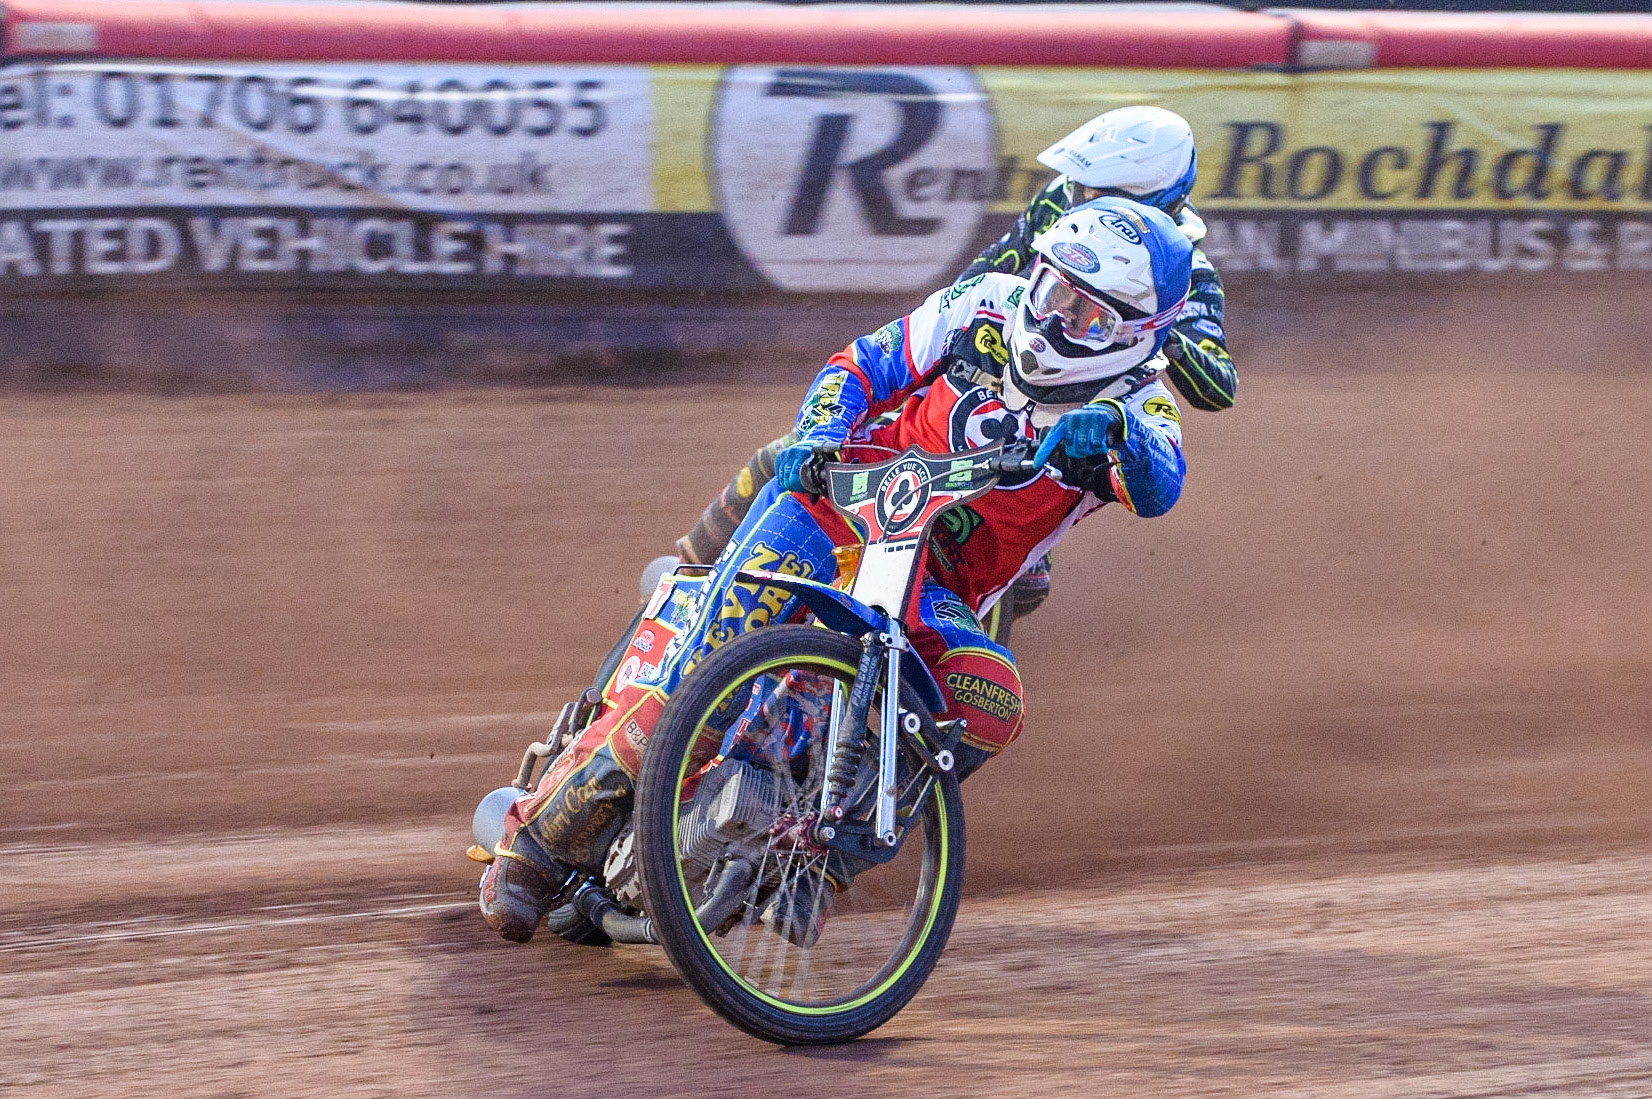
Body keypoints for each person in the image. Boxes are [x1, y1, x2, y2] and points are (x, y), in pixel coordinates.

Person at [480, 196, 1196, 944]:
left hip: (936, 582)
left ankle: (820, 860)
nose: (1050, 324)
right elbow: (865, 361)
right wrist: (821, 434)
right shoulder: (988, 301)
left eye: (1084, 319)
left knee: (992, 698)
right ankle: (535, 843)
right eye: (1053, 294)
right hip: (842, 500)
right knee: (702, 662)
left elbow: (1161, 482)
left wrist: (1115, 430)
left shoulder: (1141, 403)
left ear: (1134, 336)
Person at [662, 105, 1236, 637]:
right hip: (986, 375)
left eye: (1098, 191)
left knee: (1028, 580)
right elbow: (983, 275)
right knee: (794, 452)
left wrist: (1153, 329)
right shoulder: (1061, 208)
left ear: (1158, 198)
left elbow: (1218, 387)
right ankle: (692, 573)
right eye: (1081, 186)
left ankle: (923, 675)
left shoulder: (1191, 276)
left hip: (1071, 425)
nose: (1078, 198)